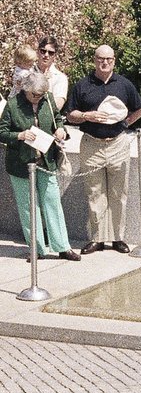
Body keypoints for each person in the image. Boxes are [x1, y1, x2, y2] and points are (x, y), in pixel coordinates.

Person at [66, 44, 141, 254]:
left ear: (114, 60)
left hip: (117, 143)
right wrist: (86, 116)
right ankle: (98, 238)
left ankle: (118, 238)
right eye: (101, 58)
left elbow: (139, 109)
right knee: (94, 192)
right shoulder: (83, 85)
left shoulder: (124, 85)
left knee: (119, 193)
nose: (105, 62)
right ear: (94, 60)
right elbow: (70, 114)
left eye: (109, 59)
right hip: (91, 143)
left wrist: (124, 124)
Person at [0, 68, 80, 260]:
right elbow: (1, 132)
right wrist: (20, 135)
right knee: (28, 207)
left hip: (45, 160)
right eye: (34, 95)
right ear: (26, 90)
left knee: (52, 201)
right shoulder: (12, 105)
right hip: (20, 163)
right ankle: (37, 249)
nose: (38, 98)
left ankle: (62, 246)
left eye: (41, 94)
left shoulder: (48, 99)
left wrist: (60, 130)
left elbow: (57, 120)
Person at [36, 36, 68, 110]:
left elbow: (56, 106)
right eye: (43, 51)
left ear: (55, 55)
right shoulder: (27, 72)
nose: (46, 55)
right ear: (38, 51)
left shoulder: (60, 78)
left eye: (50, 53)